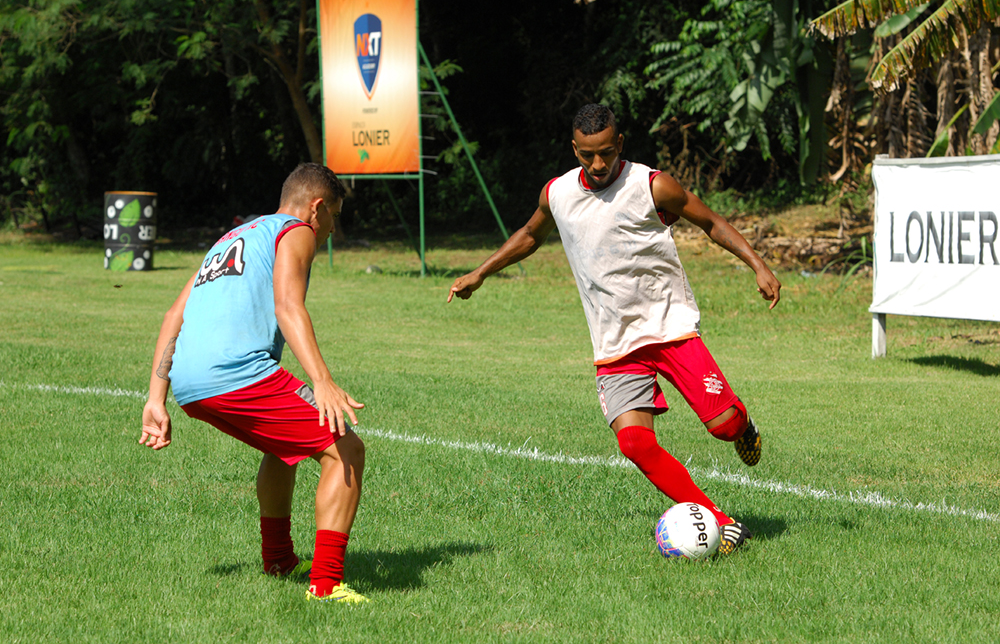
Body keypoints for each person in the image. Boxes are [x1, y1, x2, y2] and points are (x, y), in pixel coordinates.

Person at [447, 104, 781, 554]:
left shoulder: (652, 185)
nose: (598, 164)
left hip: (670, 329)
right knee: (635, 443)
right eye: (588, 155)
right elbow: (530, 234)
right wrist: (481, 272)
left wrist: (758, 266)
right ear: (574, 149)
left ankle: (742, 426)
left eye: (606, 152)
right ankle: (720, 522)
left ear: (619, 143)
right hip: (615, 344)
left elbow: (711, 223)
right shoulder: (558, 193)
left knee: (723, 426)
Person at [139, 162, 369, 603]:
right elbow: (287, 305)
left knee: (282, 447)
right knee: (346, 450)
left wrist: (156, 399)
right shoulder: (295, 230)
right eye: (334, 219)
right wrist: (322, 380)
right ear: (316, 208)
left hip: (189, 380)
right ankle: (326, 586)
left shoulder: (232, 238)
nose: (332, 232)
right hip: (235, 373)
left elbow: (173, 315)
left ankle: (279, 559)